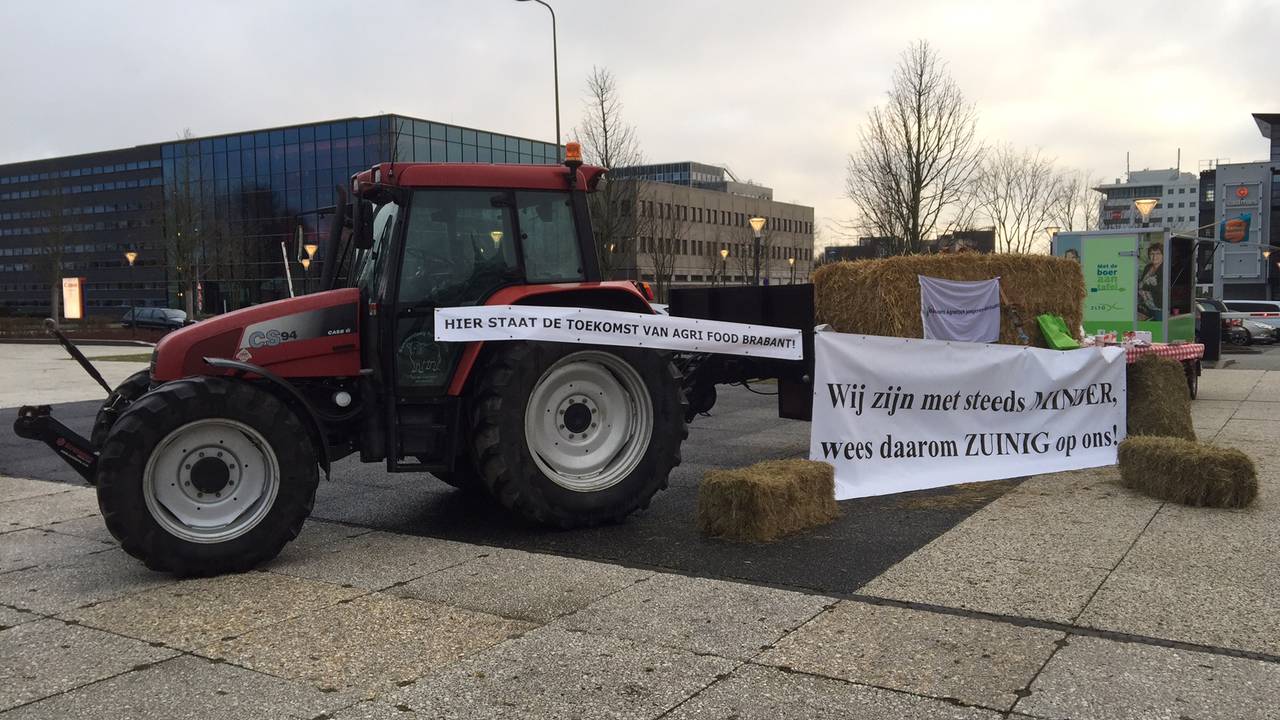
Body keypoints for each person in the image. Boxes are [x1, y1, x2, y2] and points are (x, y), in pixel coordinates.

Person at [1137, 242, 1164, 321]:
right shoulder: (1148, 267)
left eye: (1158, 253)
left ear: (1163, 255)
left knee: (1159, 330)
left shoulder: (1165, 268)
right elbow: (1141, 283)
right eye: (1152, 254)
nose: (1154, 256)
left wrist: (1145, 286)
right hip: (1147, 307)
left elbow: (1160, 289)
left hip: (1159, 307)